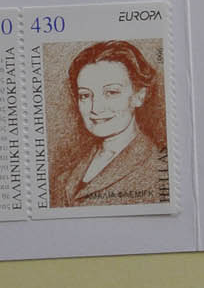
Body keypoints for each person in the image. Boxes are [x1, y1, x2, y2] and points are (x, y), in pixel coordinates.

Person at [50, 39, 169, 208]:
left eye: (111, 92)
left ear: (139, 96)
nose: (96, 108)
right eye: (85, 95)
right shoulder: (65, 177)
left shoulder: (159, 169)